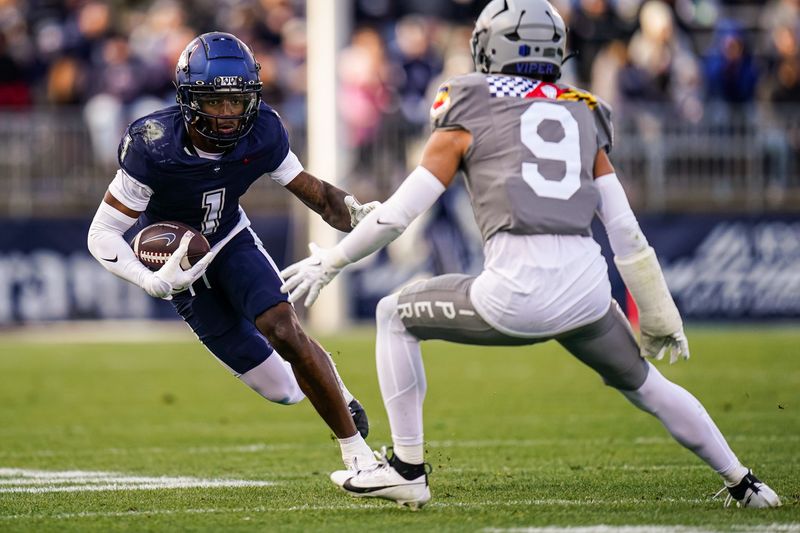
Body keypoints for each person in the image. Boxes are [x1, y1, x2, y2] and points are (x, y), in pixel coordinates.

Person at [279, 0, 782, 510]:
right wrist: (657, 309)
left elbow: (397, 216)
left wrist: (333, 261)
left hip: (516, 291)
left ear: (490, 46)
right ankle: (746, 483)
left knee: (394, 315)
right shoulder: (582, 109)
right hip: (587, 290)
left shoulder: (468, 103)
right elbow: (626, 230)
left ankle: (408, 469)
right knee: (646, 384)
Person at [87, 31, 380, 472]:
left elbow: (316, 193)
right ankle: (323, 377)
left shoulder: (262, 131)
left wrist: (359, 214)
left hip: (229, 239)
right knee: (282, 390)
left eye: (237, 101)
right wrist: (151, 280)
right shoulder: (153, 143)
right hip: (180, 264)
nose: (227, 113)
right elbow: (103, 232)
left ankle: (357, 454)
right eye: (214, 101)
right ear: (188, 98)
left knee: (283, 328)